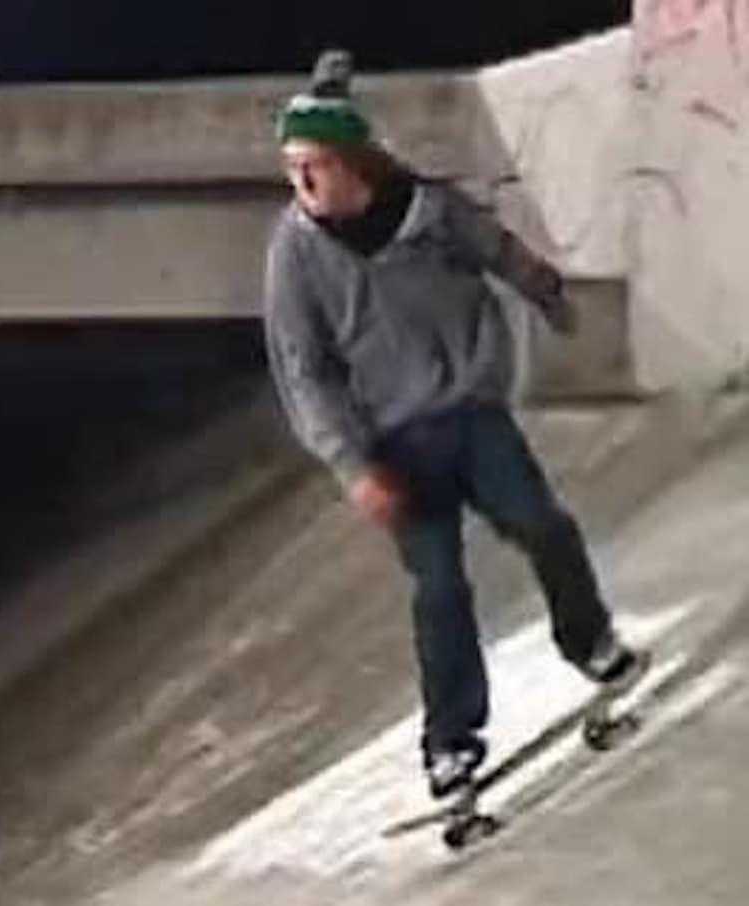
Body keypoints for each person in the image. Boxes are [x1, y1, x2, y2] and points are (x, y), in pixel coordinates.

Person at [261, 49, 649, 799]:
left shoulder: (430, 212)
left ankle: (591, 641)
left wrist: (544, 289)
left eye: (314, 167)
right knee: (439, 588)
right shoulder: (295, 254)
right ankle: (451, 741)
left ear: (354, 164)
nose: (301, 185)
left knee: (543, 526)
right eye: (291, 170)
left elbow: (495, 247)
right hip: (393, 447)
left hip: (470, 414)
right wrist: (352, 466)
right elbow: (304, 372)